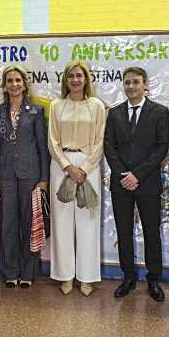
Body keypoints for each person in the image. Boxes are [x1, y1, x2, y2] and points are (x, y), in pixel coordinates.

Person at [104, 66, 169, 302]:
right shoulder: (114, 113)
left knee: (152, 232)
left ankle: (153, 279)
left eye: (135, 82)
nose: (131, 86)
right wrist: (124, 174)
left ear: (145, 84)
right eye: (127, 82)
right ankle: (128, 277)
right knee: (124, 230)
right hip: (121, 184)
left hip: (148, 183)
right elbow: (108, 147)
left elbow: (161, 147)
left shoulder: (159, 112)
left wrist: (137, 175)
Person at [0, 65, 50, 288]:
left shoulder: (35, 111)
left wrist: (44, 178)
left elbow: (43, 148)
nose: (14, 84)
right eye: (9, 80)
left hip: (30, 175)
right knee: (8, 225)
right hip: (5, 176)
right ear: (4, 85)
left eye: (18, 80)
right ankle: (10, 272)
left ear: (24, 84)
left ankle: (28, 272)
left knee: (29, 224)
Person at [48, 60, 106, 296]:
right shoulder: (56, 106)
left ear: (86, 79)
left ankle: (87, 277)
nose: (75, 80)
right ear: (65, 80)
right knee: (61, 223)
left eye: (79, 76)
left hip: (88, 168)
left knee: (87, 223)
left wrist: (84, 168)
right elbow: (52, 141)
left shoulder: (97, 106)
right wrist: (67, 166)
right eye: (71, 76)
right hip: (61, 167)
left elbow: (101, 141)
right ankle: (65, 276)